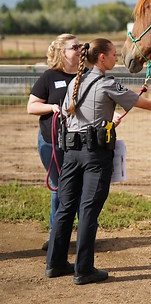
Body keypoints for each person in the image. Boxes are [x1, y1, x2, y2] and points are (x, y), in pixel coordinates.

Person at [45, 38, 151, 285]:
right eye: (113, 54)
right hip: (94, 156)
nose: (116, 58)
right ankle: (84, 270)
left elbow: (78, 115)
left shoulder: (74, 83)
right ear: (101, 58)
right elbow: (149, 104)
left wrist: (106, 121)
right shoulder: (107, 84)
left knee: (65, 208)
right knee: (89, 210)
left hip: (71, 153)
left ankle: (55, 263)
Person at [27, 33, 82, 251]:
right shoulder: (50, 77)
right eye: (74, 47)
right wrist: (51, 107)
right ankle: (56, 236)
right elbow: (31, 106)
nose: (80, 49)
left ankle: (84, 232)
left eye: (81, 46)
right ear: (62, 53)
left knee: (80, 188)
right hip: (52, 142)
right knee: (60, 188)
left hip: (78, 142)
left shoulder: (85, 75)